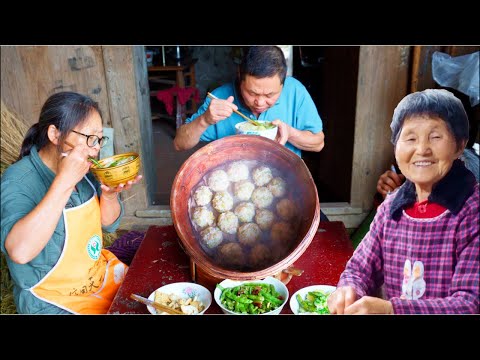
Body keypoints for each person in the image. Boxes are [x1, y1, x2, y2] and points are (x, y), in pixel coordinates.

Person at [328, 89, 479, 314]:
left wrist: (392, 310)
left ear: (459, 146)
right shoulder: (391, 208)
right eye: (410, 138)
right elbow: (360, 268)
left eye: (435, 137)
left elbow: (470, 304)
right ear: (396, 147)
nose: (421, 150)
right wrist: (349, 288)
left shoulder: (472, 213)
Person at [0, 91, 142, 314]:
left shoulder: (86, 170)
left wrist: (110, 194)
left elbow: (108, 224)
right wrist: (63, 182)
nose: (95, 148)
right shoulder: (18, 180)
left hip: (94, 279)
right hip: (51, 299)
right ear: (55, 134)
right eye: (89, 138)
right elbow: (19, 251)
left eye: (98, 139)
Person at [174, 46, 328, 219]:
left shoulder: (295, 92)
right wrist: (205, 119)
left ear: (283, 84)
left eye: (270, 95)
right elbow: (179, 143)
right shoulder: (220, 97)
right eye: (252, 93)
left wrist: (290, 133)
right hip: (233, 194)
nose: (260, 102)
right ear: (240, 76)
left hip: (286, 189)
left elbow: (318, 143)